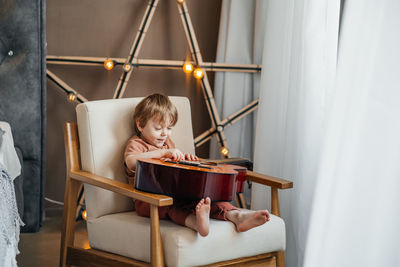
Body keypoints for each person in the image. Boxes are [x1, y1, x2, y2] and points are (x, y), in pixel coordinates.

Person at [124, 93, 270, 237]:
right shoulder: (137, 144)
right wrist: (163, 153)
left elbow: (171, 170)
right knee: (173, 207)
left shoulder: (167, 143)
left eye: (169, 128)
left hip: (175, 192)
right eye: (158, 128)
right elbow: (131, 161)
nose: (164, 134)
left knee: (208, 199)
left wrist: (184, 160)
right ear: (140, 124)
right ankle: (196, 223)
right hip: (150, 202)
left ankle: (237, 216)